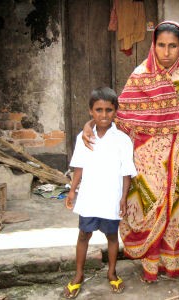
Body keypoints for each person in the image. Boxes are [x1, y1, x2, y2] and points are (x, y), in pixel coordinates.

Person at [82, 21, 179, 285]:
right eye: (161, 45)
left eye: (173, 46)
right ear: (153, 45)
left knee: (178, 210)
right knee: (149, 207)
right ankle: (151, 266)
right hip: (147, 160)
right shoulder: (140, 75)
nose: (167, 52)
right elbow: (118, 116)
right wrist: (89, 124)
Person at [63, 87, 137, 298]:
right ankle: (78, 275)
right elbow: (79, 166)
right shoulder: (84, 137)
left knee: (112, 236)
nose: (103, 115)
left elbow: (126, 172)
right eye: (98, 110)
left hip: (111, 197)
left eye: (108, 110)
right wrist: (72, 191)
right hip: (89, 197)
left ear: (116, 111)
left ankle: (112, 273)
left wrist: (123, 198)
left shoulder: (122, 139)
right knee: (84, 234)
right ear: (90, 111)